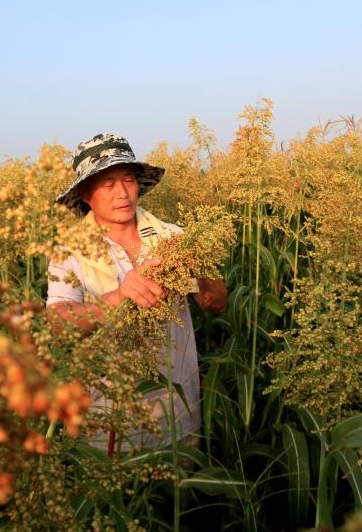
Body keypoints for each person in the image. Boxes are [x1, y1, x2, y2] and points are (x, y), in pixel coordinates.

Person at [46, 133, 228, 450]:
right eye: (108, 184)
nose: (122, 193)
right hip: (110, 424)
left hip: (178, 412)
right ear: (86, 193)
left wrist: (197, 266)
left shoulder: (173, 238)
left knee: (180, 496)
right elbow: (59, 323)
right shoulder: (68, 252)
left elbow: (216, 303)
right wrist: (117, 298)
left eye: (128, 179)